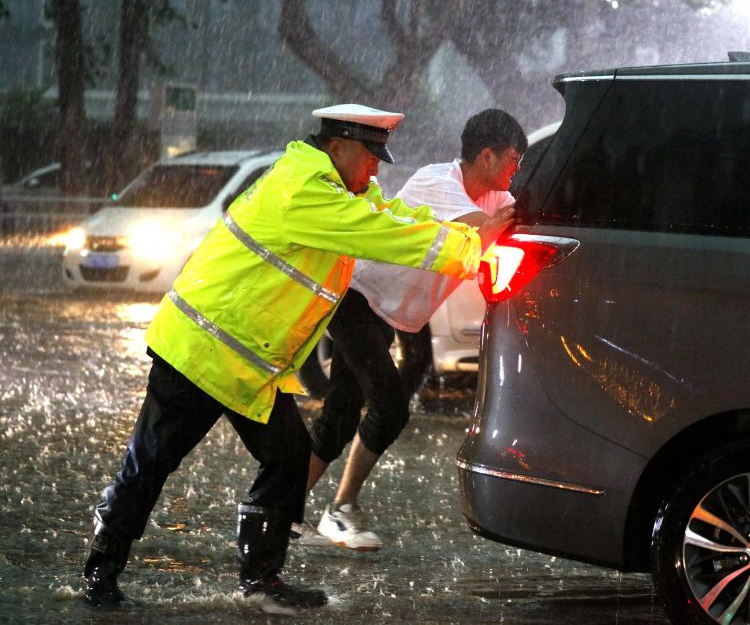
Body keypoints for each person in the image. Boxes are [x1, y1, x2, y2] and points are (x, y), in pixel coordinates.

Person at [82, 104, 495, 610]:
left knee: (288, 455)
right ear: (337, 147)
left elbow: (393, 216)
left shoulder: (339, 190)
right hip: (200, 350)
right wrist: (473, 251)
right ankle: (100, 572)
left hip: (250, 364)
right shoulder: (306, 191)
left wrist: (467, 234)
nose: (376, 169)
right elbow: (387, 236)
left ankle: (262, 581)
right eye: (370, 156)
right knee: (153, 462)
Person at [292, 108, 525, 550]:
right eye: (514, 159)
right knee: (390, 406)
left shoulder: (494, 195)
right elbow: (479, 233)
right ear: (488, 156)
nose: (517, 171)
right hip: (359, 297)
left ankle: (294, 509)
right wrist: (512, 217)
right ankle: (334, 509)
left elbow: (508, 221)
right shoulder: (437, 182)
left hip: (400, 313)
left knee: (342, 412)